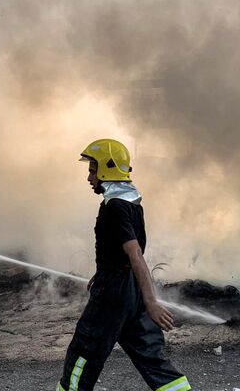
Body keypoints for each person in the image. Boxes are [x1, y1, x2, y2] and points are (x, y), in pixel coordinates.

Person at [57, 139, 190, 391]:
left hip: (113, 293)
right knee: (151, 356)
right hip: (130, 289)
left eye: (93, 170)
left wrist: (152, 302)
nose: (89, 177)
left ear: (108, 168)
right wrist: (104, 270)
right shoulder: (131, 201)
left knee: (83, 353)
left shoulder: (115, 206)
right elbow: (121, 250)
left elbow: (134, 252)